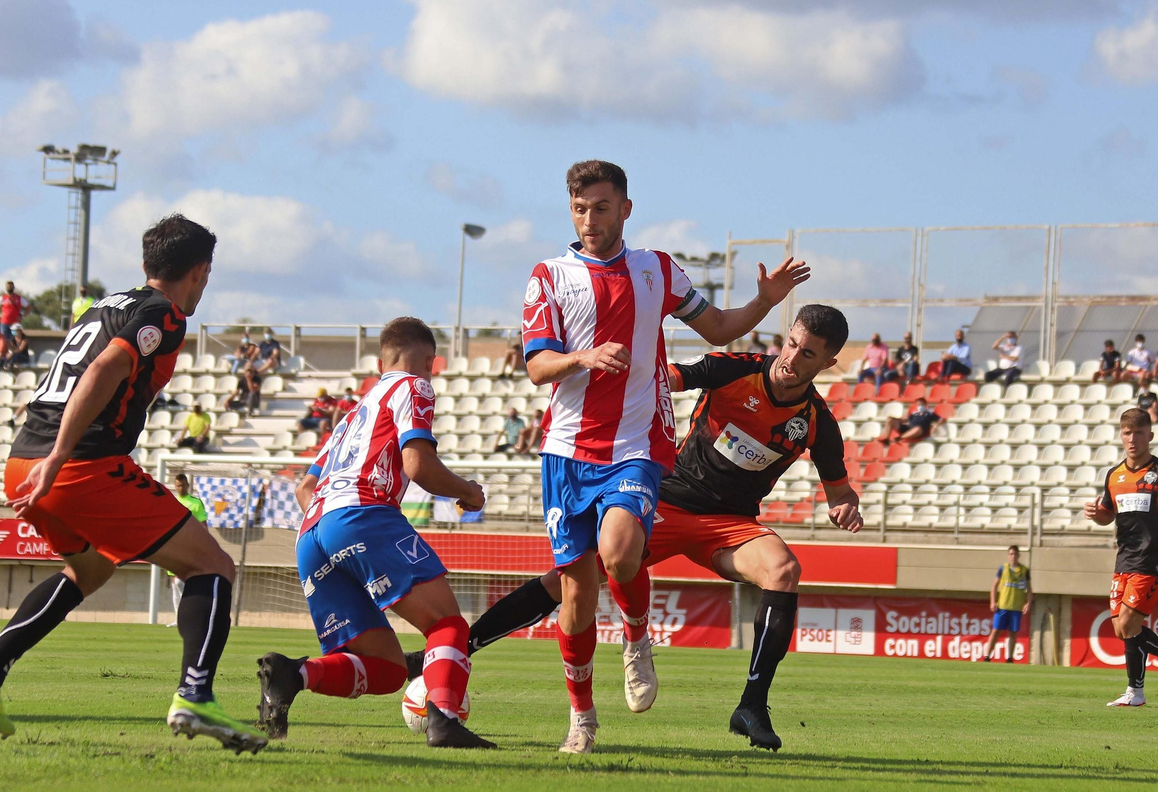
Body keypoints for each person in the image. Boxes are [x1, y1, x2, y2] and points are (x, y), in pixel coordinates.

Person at [404, 304, 856, 752]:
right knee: (567, 584)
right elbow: (664, 381)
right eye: (792, 344)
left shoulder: (816, 422)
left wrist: (845, 506)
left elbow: (839, 492)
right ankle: (450, 654)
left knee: (784, 571)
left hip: (731, 525)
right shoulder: (734, 369)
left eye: (809, 355)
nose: (792, 359)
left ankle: (752, 707)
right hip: (668, 502)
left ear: (828, 363)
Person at [515, 159, 809, 754]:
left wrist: (763, 300)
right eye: (579, 208)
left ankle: (637, 635)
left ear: (625, 208)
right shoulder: (548, 276)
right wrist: (583, 358)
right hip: (566, 450)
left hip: (637, 443)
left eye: (601, 207)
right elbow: (537, 366)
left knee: (620, 556)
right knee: (575, 598)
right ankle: (582, 717)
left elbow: (721, 329)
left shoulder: (659, 270)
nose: (590, 219)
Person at [0, 214, 268, 752]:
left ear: (146, 265)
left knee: (89, 568)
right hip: (77, 465)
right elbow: (100, 374)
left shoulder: (105, 306)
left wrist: (47, 456)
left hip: (22, 460)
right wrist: (63, 455)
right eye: (206, 278)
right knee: (213, 565)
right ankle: (195, 697)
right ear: (201, 271)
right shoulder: (163, 314)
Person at [252, 317, 494, 749]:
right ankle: (443, 722)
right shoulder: (414, 387)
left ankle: (294, 674)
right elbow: (418, 466)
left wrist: (336, 537)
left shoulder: (351, 415)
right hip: (363, 513)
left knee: (386, 670)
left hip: (312, 534)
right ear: (428, 360)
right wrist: (469, 492)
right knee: (447, 624)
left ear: (382, 358)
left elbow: (304, 487)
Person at [1084, 408, 1158, 707]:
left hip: (1154, 558)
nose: (1132, 439)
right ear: (1121, 436)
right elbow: (1108, 517)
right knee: (1122, 628)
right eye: (1127, 433)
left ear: (1150, 435)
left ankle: (1136, 692)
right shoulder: (1114, 475)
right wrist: (1098, 516)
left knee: (1129, 623)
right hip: (1124, 559)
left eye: (1138, 432)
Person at [977, 545, 1032, 665]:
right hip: (1002, 606)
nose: (1013, 556)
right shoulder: (1003, 568)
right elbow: (994, 585)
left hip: (1016, 607)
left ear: (1019, 555)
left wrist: (1028, 603)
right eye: (1011, 554)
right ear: (1008, 555)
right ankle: (987, 656)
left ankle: (1009, 658)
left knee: (1012, 633)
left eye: (1015, 554)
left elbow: (1029, 589)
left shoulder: (1024, 570)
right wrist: (993, 601)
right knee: (996, 631)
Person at [168, 474, 209, 621]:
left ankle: (191, 615)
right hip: (174, 547)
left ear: (187, 485)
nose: (180, 488)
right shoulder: (171, 502)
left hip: (189, 546)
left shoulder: (195, 503)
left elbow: (203, 526)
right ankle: (179, 619)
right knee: (175, 582)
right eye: (178, 486)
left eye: (183, 485)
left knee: (183, 581)